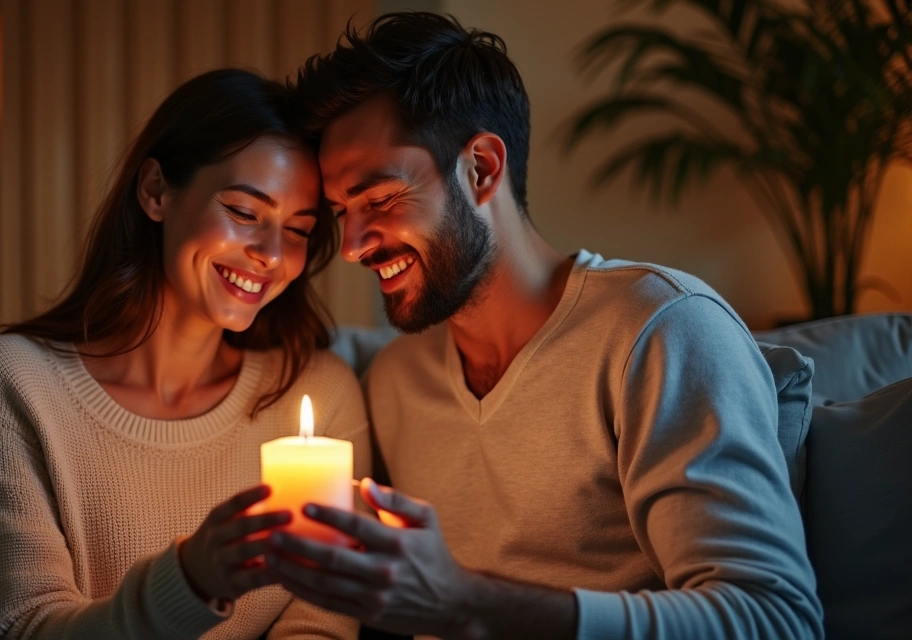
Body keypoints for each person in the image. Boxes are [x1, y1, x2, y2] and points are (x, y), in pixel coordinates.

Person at [264, 13, 824, 640]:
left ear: (481, 168)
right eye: (341, 212)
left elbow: (774, 619)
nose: (352, 246)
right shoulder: (396, 380)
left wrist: (468, 603)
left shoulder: (660, 330)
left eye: (380, 199)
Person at [0, 68, 369, 639]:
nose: (271, 254)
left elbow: (320, 624)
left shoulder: (320, 391)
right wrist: (189, 583)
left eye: (297, 230)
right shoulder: (13, 383)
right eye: (244, 212)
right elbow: (13, 629)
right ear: (155, 191)